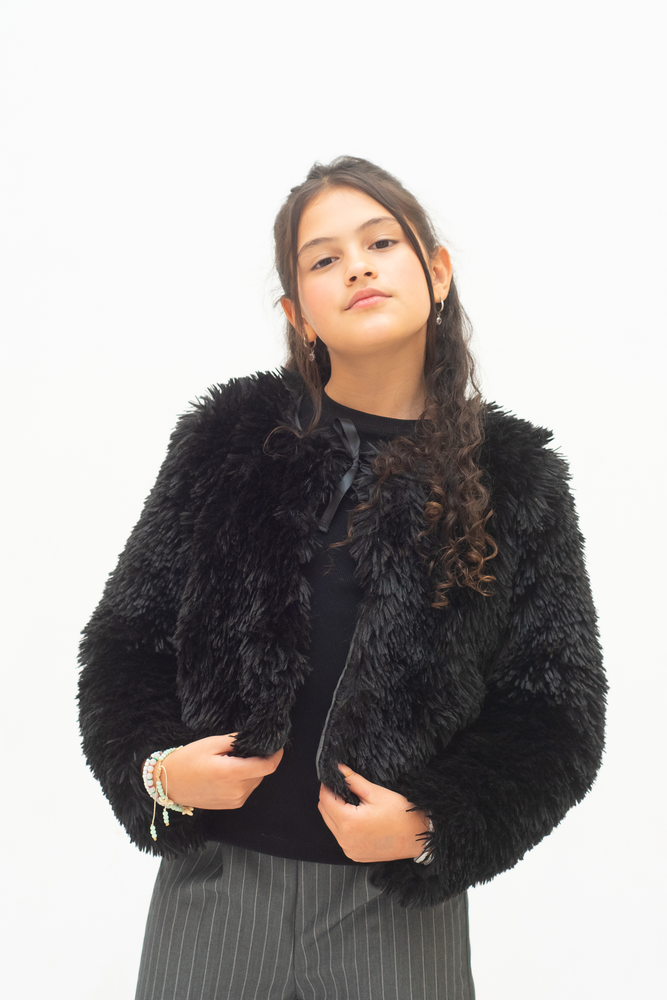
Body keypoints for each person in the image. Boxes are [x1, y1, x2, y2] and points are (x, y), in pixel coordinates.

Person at [78, 156, 607, 1000]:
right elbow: (124, 643)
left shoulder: (516, 480)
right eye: (323, 259)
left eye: (380, 243)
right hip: (216, 892)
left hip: (394, 912)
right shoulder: (228, 439)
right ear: (298, 313)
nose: (357, 266)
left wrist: (434, 826)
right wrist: (157, 772)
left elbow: (555, 716)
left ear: (436, 272)